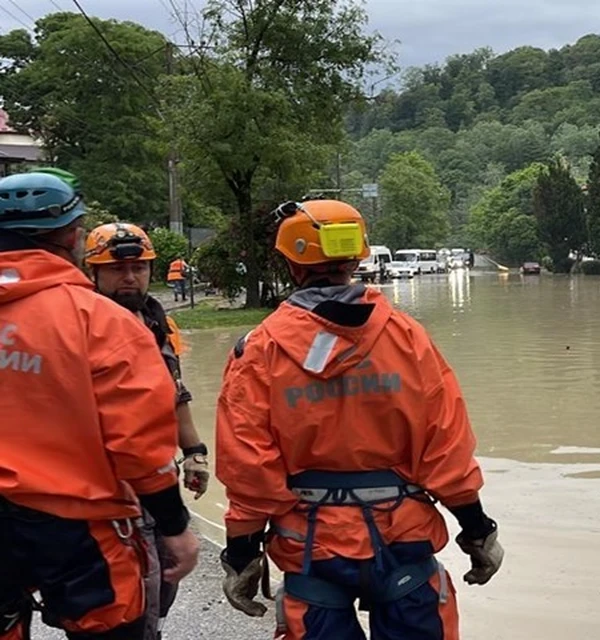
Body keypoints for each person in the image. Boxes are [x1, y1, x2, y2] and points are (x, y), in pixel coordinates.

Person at [215, 198, 504, 639]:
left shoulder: (258, 350)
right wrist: (478, 531)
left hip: (312, 548)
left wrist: (241, 554)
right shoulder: (408, 338)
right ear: (356, 258)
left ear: (292, 264)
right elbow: (445, 446)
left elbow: (249, 466)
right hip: (402, 540)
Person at [0, 170, 199, 639]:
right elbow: (139, 441)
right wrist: (174, 525)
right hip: (78, 526)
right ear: (72, 236)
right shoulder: (98, 321)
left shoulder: (127, 319)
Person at [84, 222, 211, 639]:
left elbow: (173, 392)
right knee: (126, 599)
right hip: (102, 488)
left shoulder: (155, 321)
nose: (130, 277)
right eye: (118, 270)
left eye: (139, 268)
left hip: (154, 481)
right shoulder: (82, 324)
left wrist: (194, 450)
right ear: (94, 273)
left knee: (162, 586)